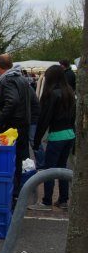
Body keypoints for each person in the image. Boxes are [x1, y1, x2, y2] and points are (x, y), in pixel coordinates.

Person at [28, 65, 76, 211]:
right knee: (62, 169)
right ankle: (63, 199)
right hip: (69, 134)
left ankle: (46, 201)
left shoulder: (51, 94)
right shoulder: (69, 92)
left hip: (56, 135)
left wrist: (36, 141)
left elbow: (44, 119)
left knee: (49, 169)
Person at [0, 53, 39, 195]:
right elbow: (33, 101)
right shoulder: (22, 79)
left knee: (12, 160)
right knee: (18, 160)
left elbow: (12, 101)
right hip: (22, 124)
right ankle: (18, 190)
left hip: (12, 127)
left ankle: (12, 192)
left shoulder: (7, 80)